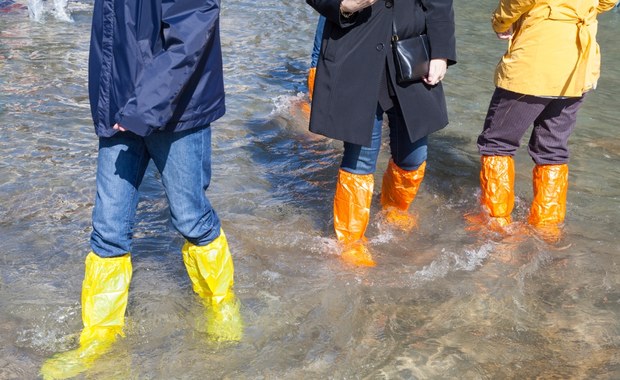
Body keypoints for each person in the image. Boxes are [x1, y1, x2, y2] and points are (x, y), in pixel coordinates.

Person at [40, 0, 242, 378]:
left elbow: (191, 33)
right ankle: (99, 338)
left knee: (191, 218)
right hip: (119, 111)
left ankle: (221, 305)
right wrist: (111, 106)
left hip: (179, 112)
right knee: (108, 230)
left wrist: (141, 109)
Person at [306, 0, 457, 266]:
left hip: (410, 54)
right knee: (361, 156)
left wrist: (441, 52)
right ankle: (350, 241)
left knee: (414, 155)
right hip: (355, 53)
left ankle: (394, 210)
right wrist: (342, 6)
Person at [476, 0, 618, 241]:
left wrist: (501, 23)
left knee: (497, 143)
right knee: (552, 148)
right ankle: (547, 225)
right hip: (577, 66)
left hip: (536, 60)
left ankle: (496, 221)